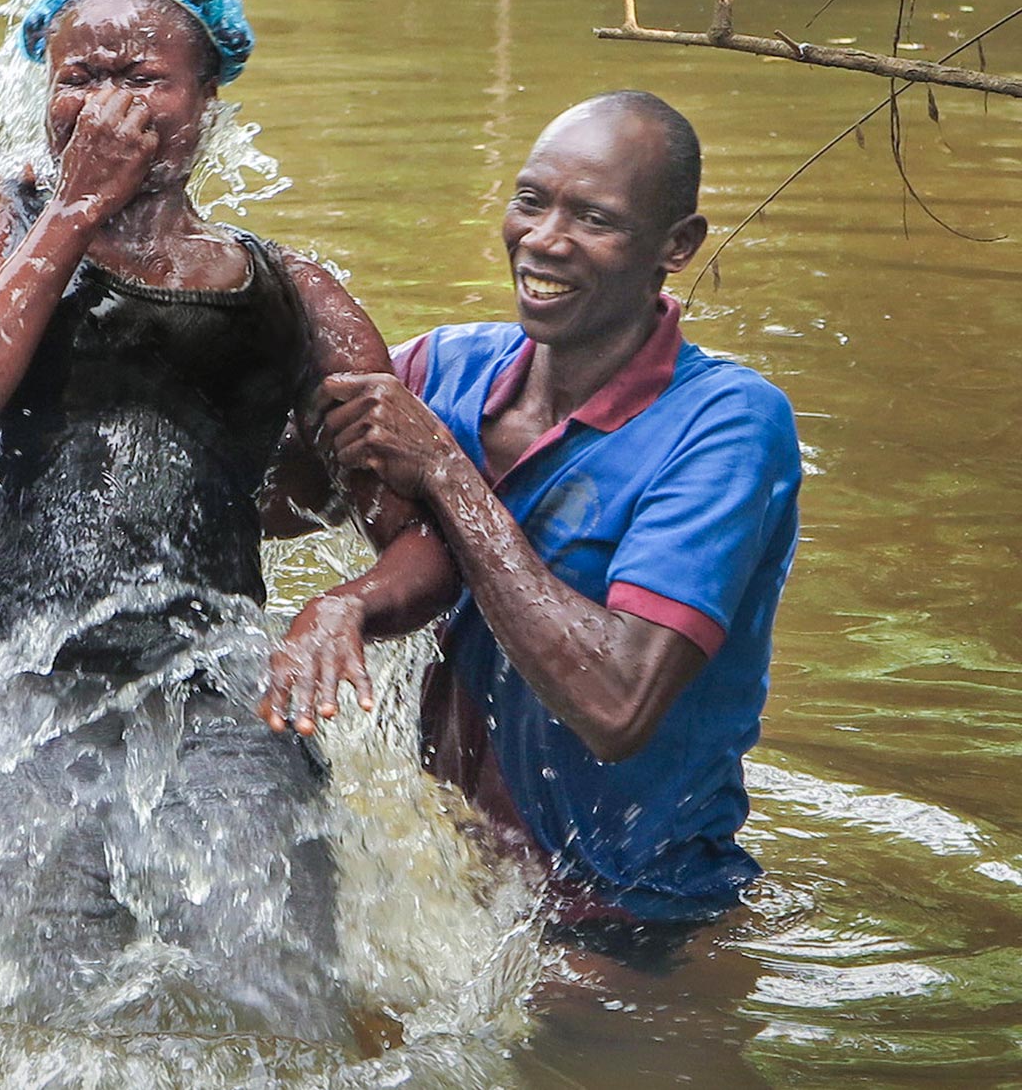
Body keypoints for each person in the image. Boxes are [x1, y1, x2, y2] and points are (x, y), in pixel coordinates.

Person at [0, 0, 452, 1040]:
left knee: (284, 1004)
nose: (105, 105)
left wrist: (341, 606)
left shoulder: (294, 294)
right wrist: (70, 214)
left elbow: (419, 541)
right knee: (53, 1007)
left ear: (204, 102)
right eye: (77, 78)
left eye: (141, 76)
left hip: (213, 682)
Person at [263, 91, 803, 930]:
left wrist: (445, 468)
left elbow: (617, 705)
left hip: (635, 913)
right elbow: (258, 502)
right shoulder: (446, 368)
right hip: (458, 884)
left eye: (594, 218)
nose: (545, 239)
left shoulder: (727, 424)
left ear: (677, 247)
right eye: (530, 201)